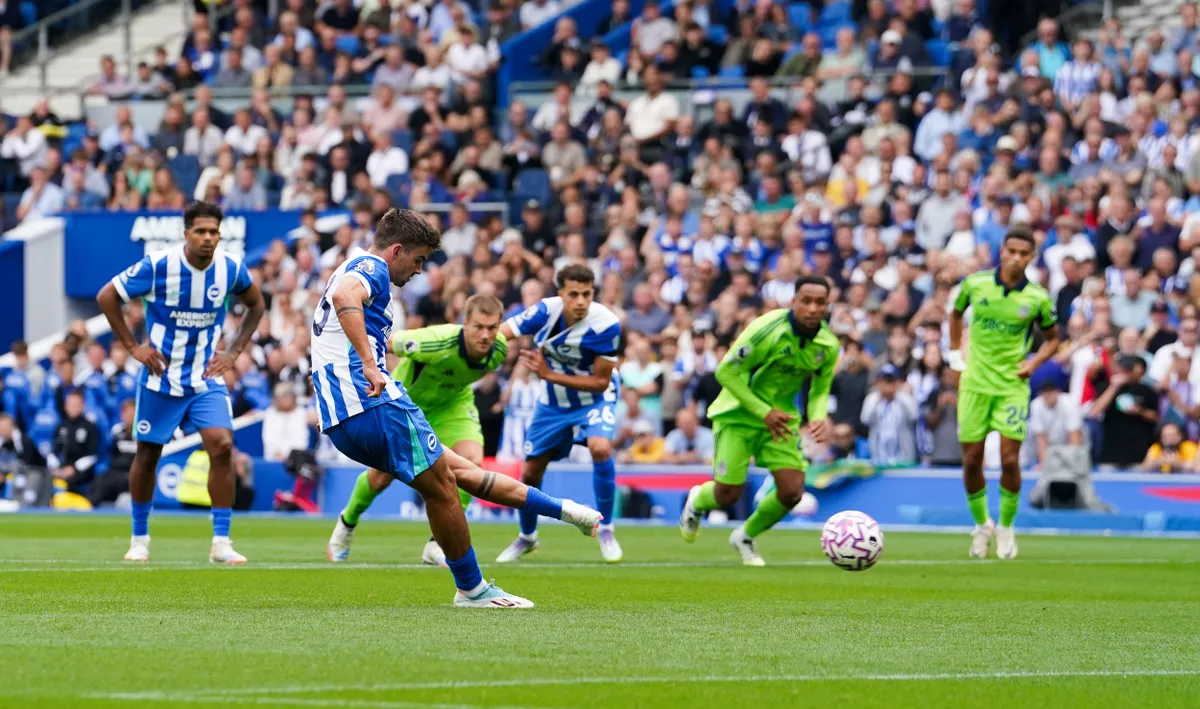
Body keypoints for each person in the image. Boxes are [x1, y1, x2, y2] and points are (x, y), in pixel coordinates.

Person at [310, 208, 600, 608]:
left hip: (346, 415)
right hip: (377, 404)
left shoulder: (351, 264)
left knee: (464, 474)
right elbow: (346, 299)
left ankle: (570, 513)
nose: (418, 270)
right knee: (444, 488)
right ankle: (472, 588)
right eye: (418, 260)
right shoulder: (373, 270)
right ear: (397, 251)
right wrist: (369, 362)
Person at [95, 202, 267, 564]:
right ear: (186, 233)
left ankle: (221, 542)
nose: (208, 238)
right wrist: (132, 346)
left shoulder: (230, 269)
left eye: (214, 232)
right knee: (147, 455)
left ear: (221, 235)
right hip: (161, 378)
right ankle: (139, 538)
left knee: (222, 447)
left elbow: (257, 304)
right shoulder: (159, 266)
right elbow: (106, 295)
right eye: (200, 231)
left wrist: (234, 352)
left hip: (204, 378)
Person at [327, 294, 511, 567]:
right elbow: (381, 344)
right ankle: (346, 523)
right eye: (478, 327)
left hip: (453, 405)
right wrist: (336, 370)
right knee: (381, 478)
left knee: (472, 462)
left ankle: (437, 545)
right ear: (465, 323)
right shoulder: (435, 340)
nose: (485, 335)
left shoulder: (499, 350)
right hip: (407, 402)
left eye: (492, 328)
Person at [679, 276, 839, 566]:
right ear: (794, 302)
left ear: (828, 305)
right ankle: (697, 499)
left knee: (792, 492)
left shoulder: (828, 344)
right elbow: (726, 372)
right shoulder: (767, 330)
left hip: (779, 420)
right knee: (726, 494)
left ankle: (745, 535)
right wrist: (763, 410)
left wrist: (817, 416)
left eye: (820, 302)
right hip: (739, 414)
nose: (813, 308)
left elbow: (819, 389)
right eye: (806, 301)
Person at [493, 264, 624, 563]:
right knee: (530, 472)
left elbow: (601, 381)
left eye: (587, 294)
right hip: (552, 404)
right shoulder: (544, 311)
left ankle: (607, 529)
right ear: (560, 294)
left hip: (595, 399)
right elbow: (505, 332)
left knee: (601, 448)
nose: (581, 301)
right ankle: (528, 537)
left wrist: (548, 374)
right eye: (573, 294)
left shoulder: (606, 324)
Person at [948, 227, 1060, 560]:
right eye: (1011, 251)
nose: (1015, 258)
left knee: (1010, 459)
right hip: (975, 384)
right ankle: (983, 524)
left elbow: (1054, 338)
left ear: (1030, 258)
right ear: (1002, 251)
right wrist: (956, 356)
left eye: (1023, 254)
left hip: (1012, 385)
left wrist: (1034, 363)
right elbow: (955, 314)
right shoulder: (975, 284)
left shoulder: (1037, 297)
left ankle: (1008, 526)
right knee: (971, 460)